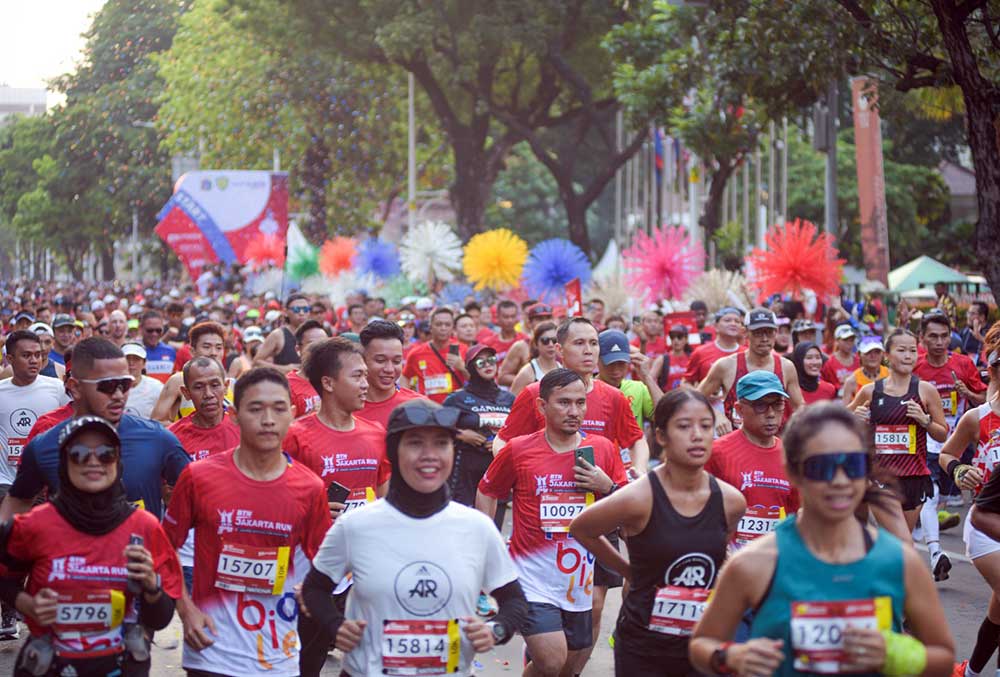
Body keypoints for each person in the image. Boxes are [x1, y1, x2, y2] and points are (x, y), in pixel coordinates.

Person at [689, 402, 954, 676]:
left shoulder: (899, 561)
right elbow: (702, 644)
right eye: (820, 467)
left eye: (853, 465)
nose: (839, 480)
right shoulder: (753, 563)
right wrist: (731, 656)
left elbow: (944, 658)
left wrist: (895, 654)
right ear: (792, 472)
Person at [299, 399, 528, 677]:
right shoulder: (356, 526)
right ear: (394, 453)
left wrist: (497, 629)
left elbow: (515, 601)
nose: (430, 455)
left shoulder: (476, 527)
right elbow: (314, 589)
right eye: (416, 443)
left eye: (441, 443)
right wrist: (334, 624)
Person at [162, 367, 331, 675]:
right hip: (211, 652)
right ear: (235, 415)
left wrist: (311, 590)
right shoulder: (198, 477)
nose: (268, 419)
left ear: (292, 414)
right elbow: (161, 549)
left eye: (279, 409)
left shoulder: (309, 488)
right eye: (255, 409)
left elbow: (326, 564)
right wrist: (185, 611)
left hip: (278, 657)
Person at [569, 388, 746, 676]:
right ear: (661, 436)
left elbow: (717, 555)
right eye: (684, 426)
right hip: (644, 643)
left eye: (705, 426)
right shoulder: (639, 497)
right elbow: (582, 528)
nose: (697, 435)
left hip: (702, 640)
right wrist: (628, 570)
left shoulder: (731, 502)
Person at [0, 416, 183, 676]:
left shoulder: (145, 527)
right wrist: (25, 603)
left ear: (118, 463)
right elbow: (5, 580)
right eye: (79, 453)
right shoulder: (34, 525)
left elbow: (160, 619)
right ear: (64, 464)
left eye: (106, 453)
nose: (93, 461)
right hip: (47, 666)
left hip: (122, 667)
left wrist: (152, 588)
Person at [477, 368, 628, 677]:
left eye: (580, 402)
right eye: (563, 403)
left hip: (578, 582)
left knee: (569, 666)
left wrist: (605, 485)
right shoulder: (519, 450)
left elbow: (627, 507)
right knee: (551, 660)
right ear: (542, 406)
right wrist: (486, 543)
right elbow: (487, 490)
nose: (574, 411)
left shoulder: (602, 449)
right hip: (531, 579)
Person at [1, 338, 190, 522]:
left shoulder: (157, 439)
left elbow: (195, 493)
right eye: (107, 386)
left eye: (124, 385)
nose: (118, 395)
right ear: (75, 388)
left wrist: (169, 540)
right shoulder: (44, 446)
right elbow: (18, 499)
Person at [938, 336, 1000, 677]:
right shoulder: (979, 418)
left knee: (998, 611)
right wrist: (959, 469)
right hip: (986, 524)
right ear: (991, 371)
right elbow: (947, 453)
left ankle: (971, 672)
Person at [848, 328, 948, 540]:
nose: (908, 356)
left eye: (912, 350)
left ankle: (873, 570)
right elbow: (839, 421)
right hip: (881, 477)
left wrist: (925, 420)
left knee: (899, 543)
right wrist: (855, 417)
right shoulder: (870, 392)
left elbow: (942, 435)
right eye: (901, 350)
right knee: (902, 543)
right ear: (887, 355)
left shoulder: (925, 390)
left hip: (915, 477)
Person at [915, 310, 988, 576]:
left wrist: (968, 393)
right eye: (932, 336)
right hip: (925, 444)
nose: (939, 342)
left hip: (957, 442)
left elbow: (986, 399)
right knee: (931, 498)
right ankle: (936, 553)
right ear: (922, 339)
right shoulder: (916, 367)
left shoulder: (963, 364)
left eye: (944, 336)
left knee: (943, 496)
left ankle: (919, 526)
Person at [285, 337, 390, 518]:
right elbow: (279, 500)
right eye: (357, 376)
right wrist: (314, 508)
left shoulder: (377, 433)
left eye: (365, 376)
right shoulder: (295, 436)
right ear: (328, 383)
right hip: (319, 544)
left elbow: (385, 499)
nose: (365, 385)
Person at [168, 357, 241, 589]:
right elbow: (168, 496)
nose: (208, 393)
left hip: (239, 549)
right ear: (186, 392)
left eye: (215, 384)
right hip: (192, 556)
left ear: (226, 386)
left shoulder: (246, 429)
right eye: (199, 387)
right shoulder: (173, 439)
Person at [705, 371, 800, 551]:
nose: (771, 413)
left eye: (778, 404)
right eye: (760, 406)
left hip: (776, 559)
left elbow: (796, 516)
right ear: (740, 409)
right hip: (728, 562)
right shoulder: (717, 452)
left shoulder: (792, 456)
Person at [698, 308, 804, 433]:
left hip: (773, 443)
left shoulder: (786, 367)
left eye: (769, 332)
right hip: (736, 444)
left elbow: (800, 407)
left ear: (775, 333)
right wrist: (716, 415)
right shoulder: (726, 366)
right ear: (745, 333)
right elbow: (695, 398)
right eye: (758, 333)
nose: (764, 339)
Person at [443, 344, 515, 509]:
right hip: (465, 473)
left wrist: (502, 441)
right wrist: (460, 434)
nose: (488, 365)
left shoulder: (509, 399)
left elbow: (522, 432)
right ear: (471, 367)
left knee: (492, 530)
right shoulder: (457, 398)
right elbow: (436, 428)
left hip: (497, 472)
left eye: (491, 360)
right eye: (481, 362)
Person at [0, 331, 70, 490]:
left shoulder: (57, 388)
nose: (34, 361)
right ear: (10, 359)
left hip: (45, 481)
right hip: (5, 482)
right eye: (26, 355)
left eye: (37, 355)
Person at [150, 322, 227, 424]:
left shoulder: (231, 384)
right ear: (192, 351)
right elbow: (156, 421)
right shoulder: (178, 381)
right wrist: (186, 432)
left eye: (218, 348)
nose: (214, 352)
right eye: (206, 347)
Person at [357, 320, 425, 429]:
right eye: (380, 360)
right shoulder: (345, 410)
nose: (389, 369)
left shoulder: (419, 406)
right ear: (363, 360)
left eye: (396, 361)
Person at [597, 329, 662, 430]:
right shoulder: (587, 389)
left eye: (621, 363)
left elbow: (666, 416)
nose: (616, 370)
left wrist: (647, 378)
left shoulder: (638, 388)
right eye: (609, 364)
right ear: (597, 360)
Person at [402, 307, 469, 403]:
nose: (443, 328)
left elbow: (475, 381)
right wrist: (407, 399)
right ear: (430, 327)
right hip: (427, 410)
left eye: (447, 324)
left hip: (455, 409)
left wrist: (462, 367)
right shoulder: (416, 353)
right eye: (438, 324)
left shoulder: (462, 349)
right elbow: (405, 377)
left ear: (452, 328)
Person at [683, 307, 745, 386]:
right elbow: (685, 382)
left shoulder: (747, 353)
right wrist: (699, 396)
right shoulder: (700, 352)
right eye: (727, 320)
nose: (733, 324)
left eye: (737, 321)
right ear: (716, 326)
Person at [498, 303, 555, 387]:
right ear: (529, 323)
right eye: (540, 319)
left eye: (548, 318)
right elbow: (502, 377)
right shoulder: (521, 346)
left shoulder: (560, 344)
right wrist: (532, 380)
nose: (545, 322)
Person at [253, 294, 313, 373]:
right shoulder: (278, 335)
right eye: (296, 309)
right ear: (286, 312)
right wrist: (284, 368)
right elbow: (256, 362)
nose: (301, 313)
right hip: (285, 383)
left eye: (305, 309)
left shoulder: (314, 333)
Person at [285, 320, 330, 419]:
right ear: (298, 350)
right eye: (312, 345)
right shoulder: (287, 385)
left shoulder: (337, 379)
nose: (320, 349)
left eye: (324, 344)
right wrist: (312, 416)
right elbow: (282, 427)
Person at [510, 321, 560, 396]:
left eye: (554, 340)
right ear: (536, 344)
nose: (550, 345)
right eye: (545, 341)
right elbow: (511, 402)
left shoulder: (563, 368)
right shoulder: (527, 372)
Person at [841, 335, 890, 405]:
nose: (873, 356)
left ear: (883, 354)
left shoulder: (890, 375)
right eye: (868, 352)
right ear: (859, 354)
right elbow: (845, 412)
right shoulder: (851, 381)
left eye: (877, 352)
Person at [480, 299, 527, 368]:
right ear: (498, 317)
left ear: (517, 318)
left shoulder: (525, 340)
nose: (510, 320)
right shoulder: (487, 344)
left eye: (513, 316)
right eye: (506, 317)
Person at [122, 343, 164, 419]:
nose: (131, 363)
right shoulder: (111, 387)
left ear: (144, 363)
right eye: (127, 359)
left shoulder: (156, 387)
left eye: (136, 359)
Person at [139, 310, 177, 384]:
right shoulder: (134, 352)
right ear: (141, 329)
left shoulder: (170, 351)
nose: (154, 334)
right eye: (150, 330)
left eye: (158, 330)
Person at [651, 324, 691, 392]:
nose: (676, 340)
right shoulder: (662, 359)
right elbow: (650, 379)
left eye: (679, 337)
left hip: (687, 400)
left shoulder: (691, 358)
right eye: (672, 337)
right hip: (668, 399)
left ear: (686, 339)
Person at [821, 324, 860, 393]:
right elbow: (825, 385)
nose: (849, 343)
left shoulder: (859, 361)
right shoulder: (829, 363)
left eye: (851, 340)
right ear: (837, 341)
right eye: (845, 340)